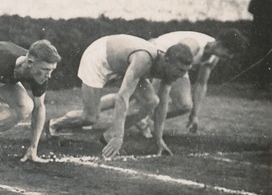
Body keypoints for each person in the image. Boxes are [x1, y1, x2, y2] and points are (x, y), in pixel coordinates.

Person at [47, 34, 193, 158]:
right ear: (167, 60)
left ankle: (108, 136)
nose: (181, 76)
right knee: (90, 117)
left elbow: (162, 105)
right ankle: (53, 124)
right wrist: (119, 136)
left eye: (185, 71)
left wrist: (159, 138)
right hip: (99, 58)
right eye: (180, 70)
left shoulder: (168, 69)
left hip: (122, 65)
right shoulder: (144, 59)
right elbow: (122, 98)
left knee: (152, 101)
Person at [100, 30, 246, 134]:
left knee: (183, 105)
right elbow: (166, 69)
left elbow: (201, 84)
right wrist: (155, 96)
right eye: (230, 52)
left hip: (165, 64)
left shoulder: (213, 59)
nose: (230, 57)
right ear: (220, 44)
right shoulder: (193, 45)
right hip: (151, 58)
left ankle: (141, 119)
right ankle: (94, 114)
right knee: (140, 98)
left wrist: (194, 115)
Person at [246, 0, 272, 91]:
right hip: (261, 32)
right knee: (261, 57)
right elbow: (251, 8)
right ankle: (261, 84)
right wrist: (264, 16)